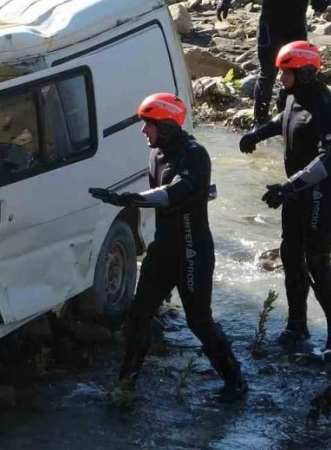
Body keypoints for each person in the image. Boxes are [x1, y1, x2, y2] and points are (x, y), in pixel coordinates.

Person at [89, 93, 247, 402]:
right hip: (163, 250)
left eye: (148, 125)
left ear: (167, 125)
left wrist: (131, 199)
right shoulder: (156, 153)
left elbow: (175, 192)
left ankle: (235, 380)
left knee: (198, 321)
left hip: (192, 251)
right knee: (138, 315)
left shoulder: (196, 155)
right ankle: (126, 386)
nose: (143, 132)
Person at [238, 41, 331, 352]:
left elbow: (327, 160)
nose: (279, 78)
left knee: (317, 260)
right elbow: (286, 120)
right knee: (290, 256)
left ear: (302, 72)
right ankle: (296, 327)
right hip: (296, 191)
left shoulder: (325, 106)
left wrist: (288, 187)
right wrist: (257, 134)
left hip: (322, 193)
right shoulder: (292, 95)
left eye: (284, 72)